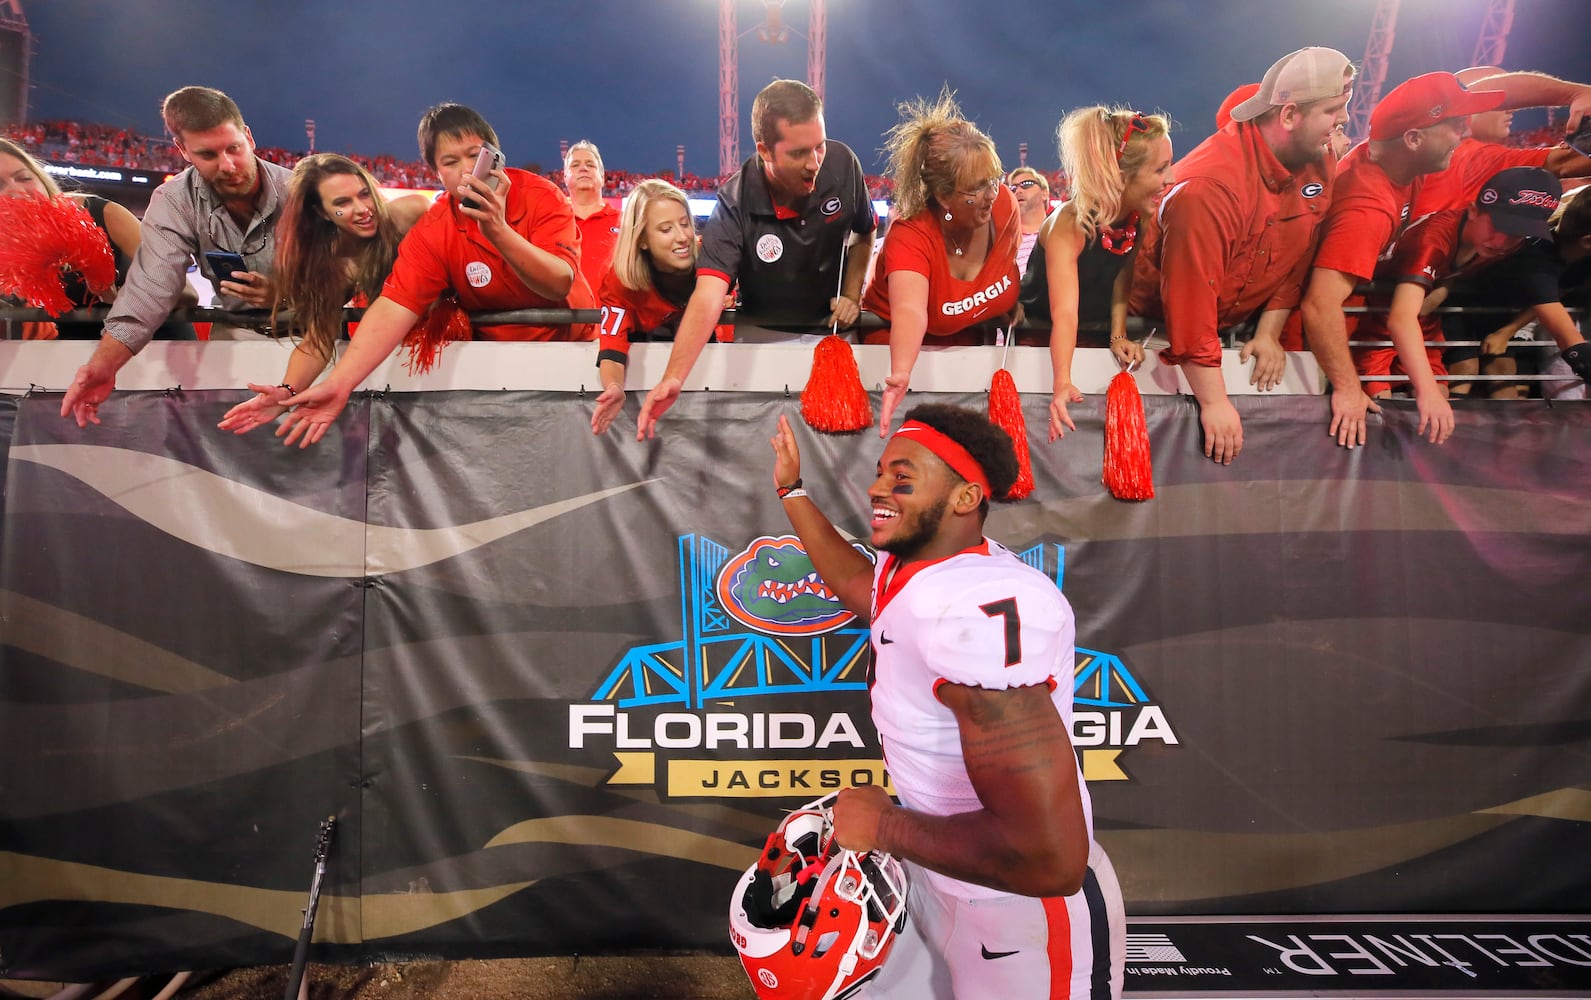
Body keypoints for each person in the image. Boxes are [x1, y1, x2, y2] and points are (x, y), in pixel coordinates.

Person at [769, 404, 1125, 999]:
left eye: (902, 480)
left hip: (1023, 910)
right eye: (881, 473)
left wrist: (884, 824)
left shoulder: (978, 605)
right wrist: (793, 492)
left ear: (964, 498)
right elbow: (868, 590)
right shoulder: (919, 569)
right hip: (945, 874)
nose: (878, 487)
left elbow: (1053, 860)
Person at [269, 103, 597, 448]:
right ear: (436, 173)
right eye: (450, 163)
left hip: (573, 359)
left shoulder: (541, 196)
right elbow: (395, 305)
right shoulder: (434, 227)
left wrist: (497, 230)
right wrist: (340, 382)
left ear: (495, 156)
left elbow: (558, 282)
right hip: (498, 368)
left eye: (475, 155)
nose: (467, 171)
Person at [1302, 69, 1591, 449]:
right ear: (1415, 137)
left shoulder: (1443, 160)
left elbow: (1560, 161)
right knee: (1366, 434)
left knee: (1430, 419)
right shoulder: (1370, 205)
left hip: (1399, 317)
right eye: (1456, 124)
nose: (1463, 131)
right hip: (1350, 331)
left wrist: (1577, 94)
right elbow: (1321, 307)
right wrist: (1347, 387)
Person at [1134, 47, 1354, 465]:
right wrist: (1215, 402)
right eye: (1333, 109)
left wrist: (1270, 329)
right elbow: (1190, 299)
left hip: (1221, 327)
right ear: (1289, 115)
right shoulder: (1209, 187)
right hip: (1154, 331)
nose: (1344, 120)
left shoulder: (1317, 157)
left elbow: (1297, 250)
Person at [636, 79, 875, 439]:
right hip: (761, 338)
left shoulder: (843, 164)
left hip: (834, 337)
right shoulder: (735, 200)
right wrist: (673, 377)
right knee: (763, 451)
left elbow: (864, 232)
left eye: (819, 146)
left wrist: (853, 294)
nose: (814, 163)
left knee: (837, 451)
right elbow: (709, 294)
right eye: (798, 153)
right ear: (765, 151)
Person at [60, 86, 292, 426]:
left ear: (249, 136)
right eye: (208, 155)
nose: (228, 165)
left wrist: (287, 293)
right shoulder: (173, 200)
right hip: (233, 338)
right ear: (182, 150)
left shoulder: (299, 189)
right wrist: (105, 364)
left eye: (233, 148)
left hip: (313, 335)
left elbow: (347, 274)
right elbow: (152, 286)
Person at [214, 154, 430, 435]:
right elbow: (318, 339)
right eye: (342, 203)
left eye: (364, 194)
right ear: (322, 213)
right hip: (400, 360)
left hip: (461, 343)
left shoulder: (412, 212)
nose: (363, 209)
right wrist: (286, 390)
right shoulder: (330, 261)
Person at [1347, 166, 1561, 442]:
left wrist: (1444, 289)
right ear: (1473, 210)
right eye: (1499, 226)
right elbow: (1401, 318)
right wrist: (1427, 393)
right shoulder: (1432, 239)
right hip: (1373, 322)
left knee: (1441, 394)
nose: (1502, 242)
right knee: (1381, 403)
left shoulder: (1503, 246)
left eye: (1517, 234)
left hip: (1422, 322)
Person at [860, 91, 1021, 437]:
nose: (992, 194)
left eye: (994, 179)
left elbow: (1006, 272)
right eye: (976, 188)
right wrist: (901, 373)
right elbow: (911, 311)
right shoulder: (911, 235)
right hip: (906, 362)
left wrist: (1012, 305)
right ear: (944, 196)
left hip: (973, 362)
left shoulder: (1005, 207)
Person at [1026, 107, 1171, 441]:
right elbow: (1064, 314)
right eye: (1161, 168)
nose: (1171, 177)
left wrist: (1118, 335)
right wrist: (1062, 380)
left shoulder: (1139, 215)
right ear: (1121, 176)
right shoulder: (1068, 223)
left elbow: (1123, 273)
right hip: (1038, 337)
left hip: (1089, 331)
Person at [0, 138, 197, 341]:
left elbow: (187, 294)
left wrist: (113, 295)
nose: (18, 192)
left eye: (24, 178)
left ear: (41, 179)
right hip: (68, 360)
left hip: (154, 350)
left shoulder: (100, 214)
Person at [589, 179, 725, 435]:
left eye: (685, 223)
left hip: (706, 381)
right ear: (641, 239)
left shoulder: (711, 259)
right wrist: (615, 388)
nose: (683, 236)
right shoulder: (618, 282)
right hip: (648, 393)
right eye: (666, 229)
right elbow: (611, 349)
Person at [565, 140, 621, 292]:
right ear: (565, 178)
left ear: (602, 177)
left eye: (590, 165)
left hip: (614, 314)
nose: (583, 168)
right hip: (562, 314)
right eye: (575, 165)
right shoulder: (551, 222)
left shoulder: (627, 223)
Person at [1007, 166, 1050, 274]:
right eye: (1013, 188)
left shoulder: (1060, 233)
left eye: (1026, 184)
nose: (1018, 191)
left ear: (1044, 193)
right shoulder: (1003, 241)